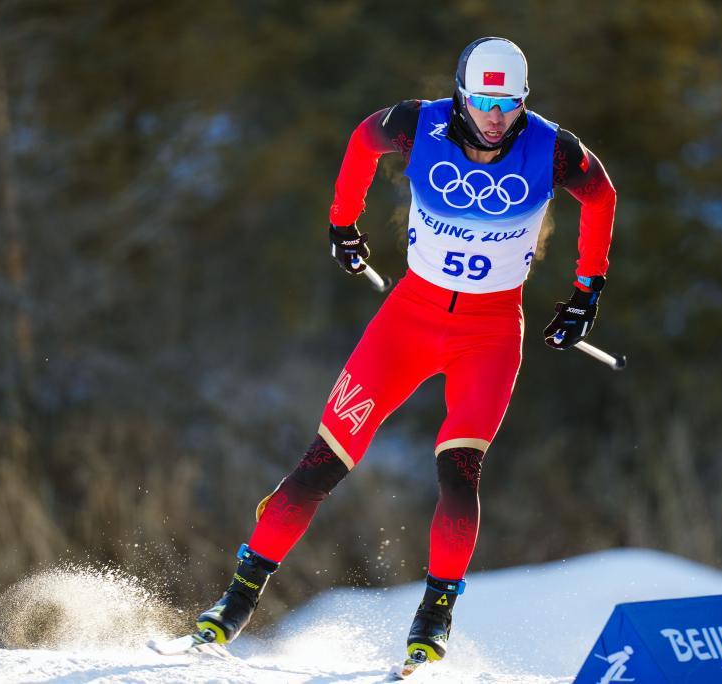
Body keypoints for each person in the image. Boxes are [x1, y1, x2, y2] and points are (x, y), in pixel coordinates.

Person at [193, 36, 617, 666]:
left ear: (524, 101)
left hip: (491, 331)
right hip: (408, 320)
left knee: (459, 473)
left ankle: (434, 614)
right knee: (320, 464)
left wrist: (587, 289)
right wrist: (343, 222)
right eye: (482, 100)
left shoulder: (553, 149)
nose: (494, 116)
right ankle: (238, 596)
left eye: (507, 102)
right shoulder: (416, 124)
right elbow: (362, 141)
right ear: (461, 94)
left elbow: (602, 194)